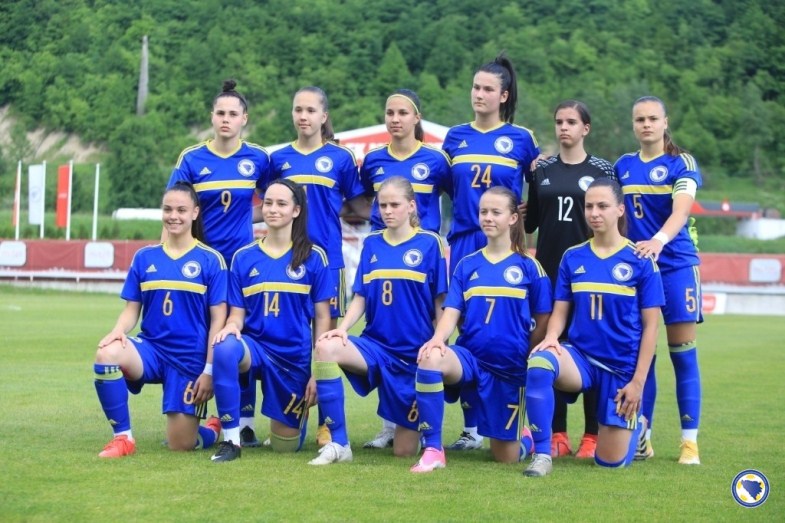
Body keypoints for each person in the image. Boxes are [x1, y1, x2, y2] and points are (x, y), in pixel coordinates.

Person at [523, 177, 664, 477]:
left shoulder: (641, 260)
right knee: (540, 362)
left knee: (609, 463)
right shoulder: (573, 256)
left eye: (602, 206)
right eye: (589, 206)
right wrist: (551, 337)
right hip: (581, 359)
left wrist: (638, 383)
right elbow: (560, 311)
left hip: (620, 368)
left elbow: (651, 327)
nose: (594, 213)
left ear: (620, 210)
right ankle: (542, 454)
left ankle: (637, 428)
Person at [308, 176, 448, 465]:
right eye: (383, 205)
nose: (387, 211)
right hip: (376, 349)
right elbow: (361, 296)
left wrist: (438, 342)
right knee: (325, 347)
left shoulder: (430, 243)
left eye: (395, 205)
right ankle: (339, 444)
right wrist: (341, 329)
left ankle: (422, 431)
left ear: (411, 206)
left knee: (404, 451)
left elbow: (440, 302)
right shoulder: (372, 242)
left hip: (413, 355)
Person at [411, 186, 552, 473]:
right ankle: (433, 449)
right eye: (483, 211)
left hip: (508, 369)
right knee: (430, 357)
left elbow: (543, 318)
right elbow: (451, 312)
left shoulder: (530, 267)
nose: (487, 217)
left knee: (505, 456)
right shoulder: (466, 264)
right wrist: (437, 339)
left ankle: (525, 439)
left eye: (495, 212)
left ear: (513, 218)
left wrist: (524, 353)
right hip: (470, 360)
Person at [441, 53, 540, 450]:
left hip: (506, 243)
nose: (478, 94)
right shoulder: (454, 137)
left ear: (503, 95)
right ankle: (472, 428)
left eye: (487, 89)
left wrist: (528, 215)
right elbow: (441, 187)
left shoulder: (522, 139)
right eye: (475, 87)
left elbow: (541, 186)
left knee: (511, 328)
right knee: (468, 330)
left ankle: (518, 419)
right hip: (465, 239)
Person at [168, 79, 272, 448]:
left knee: (238, 338)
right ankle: (195, 415)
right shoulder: (192, 159)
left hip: (243, 265)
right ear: (212, 117)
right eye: (220, 113)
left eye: (232, 113)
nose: (225, 119)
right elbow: (174, 209)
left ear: (244, 119)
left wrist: (251, 219)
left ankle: (244, 422)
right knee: (201, 337)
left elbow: (276, 202)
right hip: (203, 266)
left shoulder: (258, 158)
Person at [93, 182, 227, 458]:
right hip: (151, 350)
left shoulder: (211, 260)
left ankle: (212, 430)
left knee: (181, 444)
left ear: (195, 213)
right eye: (167, 209)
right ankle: (123, 438)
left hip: (189, 358)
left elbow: (218, 321)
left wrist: (209, 370)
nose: (173, 216)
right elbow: (132, 309)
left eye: (181, 210)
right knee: (107, 353)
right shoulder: (145, 257)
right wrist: (117, 330)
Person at [270, 86, 369, 447]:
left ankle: (328, 423)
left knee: (327, 342)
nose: (303, 116)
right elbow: (269, 205)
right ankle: (294, 414)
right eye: (298, 109)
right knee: (296, 340)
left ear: (324, 116)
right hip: (287, 265)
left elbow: (359, 206)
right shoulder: (278, 159)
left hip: (329, 264)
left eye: (311, 110)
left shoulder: (341, 159)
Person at [209, 179, 333, 462]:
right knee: (225, 347)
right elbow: (237, 313)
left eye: (281, 203)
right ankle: (231, 440)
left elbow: (323, 318)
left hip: (292, 359)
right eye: (267, 203)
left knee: (285, 447)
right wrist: (231, 326)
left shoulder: (314, 257)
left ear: (296, 211)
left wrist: (318, 371)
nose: (272, 209)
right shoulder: (243, 257)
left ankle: (290, 421)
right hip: (255, 349)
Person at [358, 88, 452, 449]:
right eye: (390, 112)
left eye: (402, 113)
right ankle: (389, 425)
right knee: (384, 332)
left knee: (425, 333)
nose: (395, 119)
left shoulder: (436, 159)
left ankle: (437, 426)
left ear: (417, 118)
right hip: (383, 257)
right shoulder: (373, 160)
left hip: (423, 258)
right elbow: (359, 200)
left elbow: (460, 198)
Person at [524, 100, 617, 459]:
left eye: (571, 122)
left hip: (590, 273)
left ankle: (591, 435)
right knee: (551, 348)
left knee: (592, 346)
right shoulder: (543, 170)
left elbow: (612, 218)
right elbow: (531, 221)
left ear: (585, 129)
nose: (564, 127)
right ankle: (557, 434)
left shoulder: (602, 169)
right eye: (559, 121)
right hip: (548, 271)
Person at [615, 96, 703, 465]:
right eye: (640, 119)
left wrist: (658, 241)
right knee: (644, 357)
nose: (646, 125)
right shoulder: (623, 166)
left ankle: (689, 443)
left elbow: (681, 211)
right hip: (639, 271)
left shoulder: (681, 163)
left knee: (682, 354)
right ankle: (643, 438)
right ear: (633, 124)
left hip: (675, 267)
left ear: (665, 122)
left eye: (653, 118)